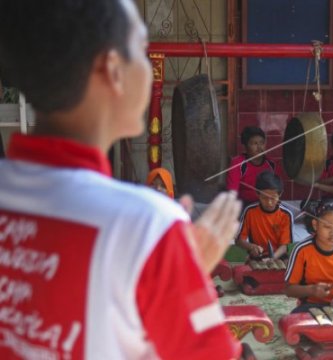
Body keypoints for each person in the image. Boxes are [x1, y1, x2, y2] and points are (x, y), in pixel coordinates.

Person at [0, 1, 243, 359]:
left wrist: (165, 276)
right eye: (142, 51)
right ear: (112, 70)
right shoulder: (149, 226)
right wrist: (182, 276)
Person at [284, 198, 333, 313]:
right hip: (311, 304)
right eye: (327, 227)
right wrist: (312, 290)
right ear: (315, 225)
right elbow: (289, 290)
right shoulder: (301, 250)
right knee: (297, 320)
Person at [236, 170, 293, 260]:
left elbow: (285, 245)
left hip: (279, 258)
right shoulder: (250, 211)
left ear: (280, 194)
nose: (269, 202)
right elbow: (239, 240)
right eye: (264, 197)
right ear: (257, 194)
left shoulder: (286, 214)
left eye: (273, 198)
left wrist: (272, 258)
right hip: (257, 257)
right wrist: (252, 247)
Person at [226, 126, 282, 208]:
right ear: (245, 146)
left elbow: (277, 190)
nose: (259, 148)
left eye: (262, 143)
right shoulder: (237, 163)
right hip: (245, 205)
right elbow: (232, 194)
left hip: (267, 203)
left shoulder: (272, 164)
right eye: (254, 144)